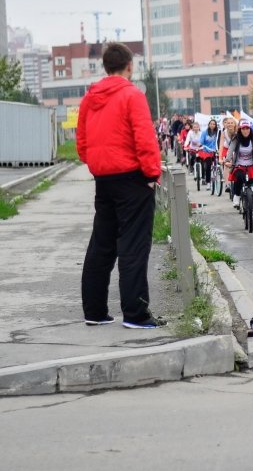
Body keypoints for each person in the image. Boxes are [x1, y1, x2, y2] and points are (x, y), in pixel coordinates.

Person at [77, 42, 164, 329]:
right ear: (130, 65)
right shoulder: (132, 95)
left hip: (104, 179)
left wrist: (95, 164)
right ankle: (136, 315)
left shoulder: (90, 98)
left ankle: (95, 311)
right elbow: (144, 138)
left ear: (105, 66)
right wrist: (152, 175)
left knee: (101, 245)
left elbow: (82, 140)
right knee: (134, 246)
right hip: (132, 178)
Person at [225, 120, 253, 223]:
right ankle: (237, 195)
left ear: (250, 129)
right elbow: (230, 150)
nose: (245, 130)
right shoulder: (236, 139)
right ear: (240, 129)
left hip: (252, 165)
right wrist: (227, 161)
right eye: (243, 128)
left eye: (247, 128)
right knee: (239, 177)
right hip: (239, 165)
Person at [198, 119, 220, 183]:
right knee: (208, 166)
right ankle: (208, 181)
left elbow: (220, 141)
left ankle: (217, 174)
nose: (212, 125)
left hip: (215, 151)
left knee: (218, 163)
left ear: (216, 125)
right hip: (206, 151)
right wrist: (200, 145)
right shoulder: (204, 132)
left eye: (214, 124)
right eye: (211, 124)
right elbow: (201, 142)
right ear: (208, 125)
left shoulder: (217, 133)